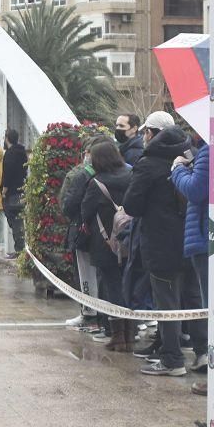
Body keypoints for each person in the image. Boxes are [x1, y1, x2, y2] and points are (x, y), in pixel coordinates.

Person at [123, 112, 206, 376]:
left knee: (166, 301)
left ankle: (172, 360)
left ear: (151, 134)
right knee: (194, 297)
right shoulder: (194, 155)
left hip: (160, 243)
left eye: (146, 132)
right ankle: (203, 352)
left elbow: (132, 205)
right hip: (193, 237)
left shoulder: (147, 164)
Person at [80, 141, 133, 351]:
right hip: (129, 239)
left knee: (112, 287)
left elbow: (85, 212)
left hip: (105, 243)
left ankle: (118, 336)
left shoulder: (96, 183)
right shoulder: (132, 176)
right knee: (128, 286)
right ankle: (130, 335)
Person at [60, 136, 111, 337]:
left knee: (86, 274)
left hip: (85, 232)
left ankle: (89, 314)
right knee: (107, 276)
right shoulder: (122, 172)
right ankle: (105, 317)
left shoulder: (82, 176)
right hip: (110, 234)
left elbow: (69, 205)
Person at [171, 131, 209, 372]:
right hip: (212, 234)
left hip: (205, 236)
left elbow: (195, 190)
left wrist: (178, 170)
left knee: (210, 301)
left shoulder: (210, 149)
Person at [0, 128, 28, 257]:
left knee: (14, 220)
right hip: (21, 190)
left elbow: (8, 173)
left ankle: (20, 250)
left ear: (7, 139)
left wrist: (4, 190)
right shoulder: (22, 152)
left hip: (11, 193)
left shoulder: (10, 154)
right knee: (18, 220)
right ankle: (21, 249)